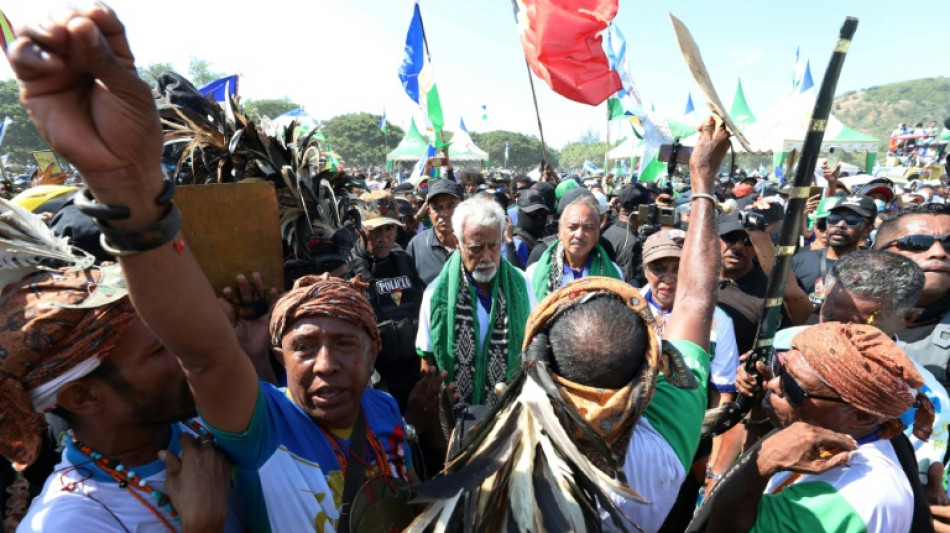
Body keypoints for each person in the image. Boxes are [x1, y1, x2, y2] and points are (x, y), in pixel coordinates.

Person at [9, 7, 415, 532]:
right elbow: (207, 359)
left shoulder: (198, 439)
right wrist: (129, 190)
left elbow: (211, 357)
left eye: (346, 344)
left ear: (374, 350)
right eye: (161, 348)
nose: (326, 365)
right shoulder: (70, 520)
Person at [0, 268, 234, 533]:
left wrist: (256, 358)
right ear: (83, 397)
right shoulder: (65, 523)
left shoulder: (203, 412)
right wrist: (203, 527)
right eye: (158, 349)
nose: (184, 349)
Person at [703, 322, 934, 533]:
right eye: (780, 368)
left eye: (792, 387)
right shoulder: (842, 433)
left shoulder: (851, 494)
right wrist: (759, 411)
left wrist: (763, 463)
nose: (773, 384)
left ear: (862, 416)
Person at [416, 198, 536, 407]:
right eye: (476, 248)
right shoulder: (435, 295)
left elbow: (534, 346)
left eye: (494, 245)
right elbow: (427, 361)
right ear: (457, 242)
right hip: (457, 416)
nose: (487, 257)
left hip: (510, 412)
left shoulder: (522, 284)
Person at [344, 192, 425, 413]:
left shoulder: (404, 261)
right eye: (375, 230)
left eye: (389, 228)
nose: (383, 238)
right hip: (372, 381)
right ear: (360, 229)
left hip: (413, 373)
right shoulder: (347, 269)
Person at [872, 203, 950, 389]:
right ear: (878, 255)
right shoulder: (842, 310)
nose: (939, 253)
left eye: (949, 243)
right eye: (917, 243)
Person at [526, 195, 622, 301]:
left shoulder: (614, 273)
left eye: (588, 228)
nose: (579, 235)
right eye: (572, 227)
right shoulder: (534, 273)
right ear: (559, 231)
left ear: (597, 234)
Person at [792, 195, 876, 304]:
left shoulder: (875, 268)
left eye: (852, 220)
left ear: (868, 229)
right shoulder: (800, 260)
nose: (840, 225)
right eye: (834, 218)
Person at [405, 179, 464, 285]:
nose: (445, 213)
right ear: (428, 211)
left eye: (451, 206)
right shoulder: (417, 245)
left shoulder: (475, 242)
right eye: (437, 207)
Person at [602, 182, 650, 286]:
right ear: (643, 210)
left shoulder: (606, 227)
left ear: (620, 206)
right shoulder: (631, 241)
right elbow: (626, 285)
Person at [505, 188, 549, 269]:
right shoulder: (518, 243)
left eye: (543, 212)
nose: (539, 216)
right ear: (521, 212)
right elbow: (517, 273)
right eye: (534, 213)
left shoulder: (545, 232)